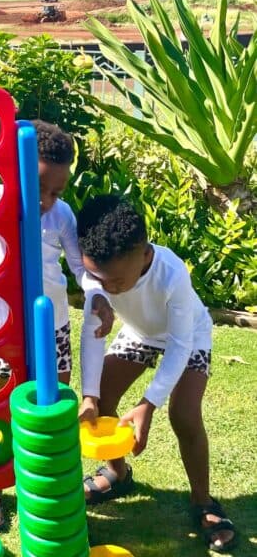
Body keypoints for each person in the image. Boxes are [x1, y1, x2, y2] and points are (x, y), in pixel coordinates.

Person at [0, 112, 113, 532]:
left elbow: (80, 267)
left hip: (54, 324)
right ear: (15, 165)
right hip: (4, 330)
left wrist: (95, 295)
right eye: (40, 185)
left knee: (55, 399)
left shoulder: (60, 215)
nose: (47, 198)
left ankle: (51, 479)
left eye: (57, 190)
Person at [77, 194, 237, 554]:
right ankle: (117, 473)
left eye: (116, 281)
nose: (107, 286)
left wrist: (149, 403)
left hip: (188, 336)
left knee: (184, 415)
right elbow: (92, 333)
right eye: (96, 276)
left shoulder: (171, 272)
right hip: (139, 333)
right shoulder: (99, 277)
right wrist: (89, 394)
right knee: (102, 395)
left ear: (145, 255)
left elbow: (180, 345)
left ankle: (204, 501)